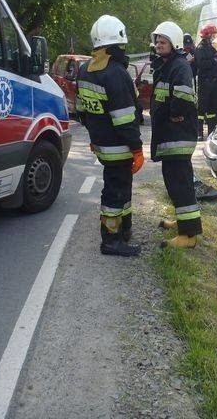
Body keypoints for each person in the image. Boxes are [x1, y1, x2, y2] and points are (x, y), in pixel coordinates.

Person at [76, 15, 144, 257]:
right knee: (116, 192)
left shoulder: (85, 69)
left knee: (121, 188)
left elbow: (82, 110)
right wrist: (136, 148)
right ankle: (111, 241)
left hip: (102, 145)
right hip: (120, 146)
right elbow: (125, 118)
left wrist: (94, 137)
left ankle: (124, 230)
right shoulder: (116, 72)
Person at [150, 20, 202, 249]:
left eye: (163, 41)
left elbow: (181, 96)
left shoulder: (179, 66)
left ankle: (188, 236)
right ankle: (183, 223)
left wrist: (173, 115)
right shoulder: (167, 64)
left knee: (180, 184)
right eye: (157, 41)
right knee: (176, 183)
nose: (158, 44)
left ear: (174, 43)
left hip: (177, 135)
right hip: (171, 135)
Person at [194, 23, 217, 139]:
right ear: (207, 35)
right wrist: (215, 58)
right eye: (213, 34)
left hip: (213, 83)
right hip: (204, 83)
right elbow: (203, 65)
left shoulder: (211, 48)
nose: (214, 37)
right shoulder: (200, 49)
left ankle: (211, 132)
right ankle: (199, 133)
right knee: (201, 109)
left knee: (213, 109)